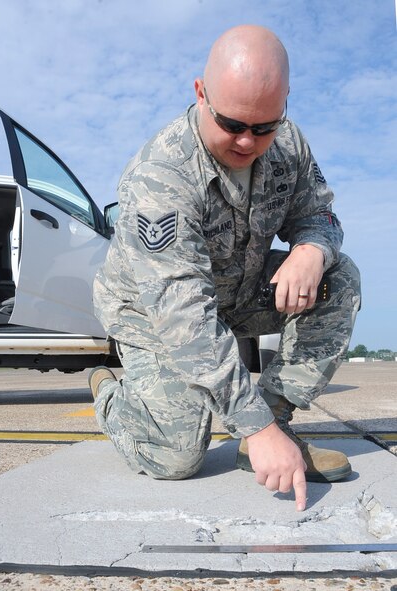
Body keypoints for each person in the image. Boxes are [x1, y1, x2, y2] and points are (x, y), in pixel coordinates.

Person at [89, 25, 361, 512]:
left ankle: (273, 424)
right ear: (201, 93)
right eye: (233, 123)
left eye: (264, 127)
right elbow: (185, 316)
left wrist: (311, 251)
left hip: (240, 291)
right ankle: (111, 394)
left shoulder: (288, 142)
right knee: (174, 458)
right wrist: (251, 423)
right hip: (153, 316)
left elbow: (319, 214)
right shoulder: (161, 175)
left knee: (338, 278)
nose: (246, 141)